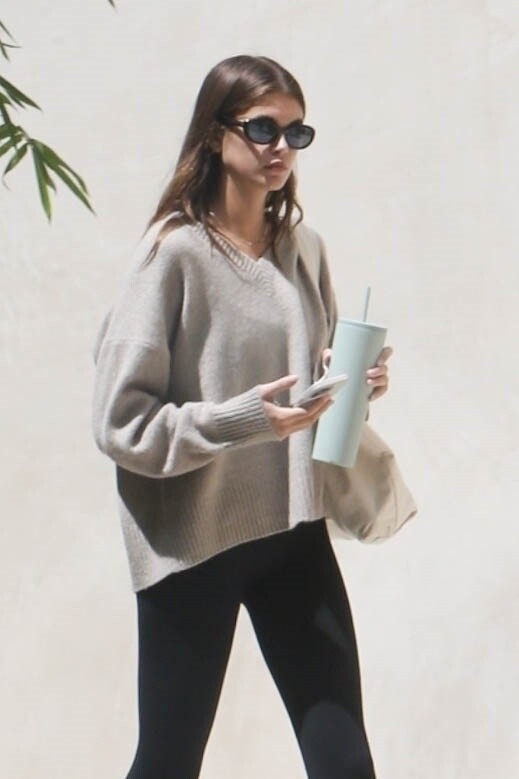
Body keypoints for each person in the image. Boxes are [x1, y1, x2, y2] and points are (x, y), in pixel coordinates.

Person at [92, 54, 392, 779]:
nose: (280, 147)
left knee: (345, 761)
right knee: (168, 762)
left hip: (292, 529)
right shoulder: (172, 255)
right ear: (214, 133)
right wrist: (239, 419)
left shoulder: (302, 249)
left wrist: (352, 385)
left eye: (296, 132)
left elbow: (301, 386)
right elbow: (120, 422)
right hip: (195, 541)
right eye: (262, 128)